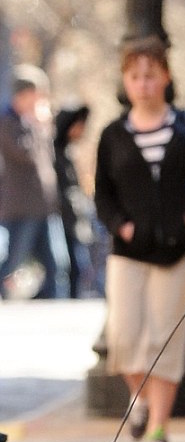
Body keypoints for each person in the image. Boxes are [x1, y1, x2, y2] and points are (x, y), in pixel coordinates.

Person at [95, 35, 185, 442]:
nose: (143, 83)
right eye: (135, 76)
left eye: (151, 75)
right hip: (128, 253)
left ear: (166, 76)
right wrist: (121, 226)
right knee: (123, 338)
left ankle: (158, 428)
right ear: (125, 82)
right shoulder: (113, 134)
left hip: (175, 251)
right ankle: (141, 399)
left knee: (166, 338)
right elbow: (102, 193)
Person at [0, 65, 59, 299]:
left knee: (56, 265)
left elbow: (48, 156)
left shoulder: (34, 123)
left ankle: (54, 306)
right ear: (23, 95)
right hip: (22, 207)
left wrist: (43, 126)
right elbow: (25, 153)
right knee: (13, 261)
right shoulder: (8, 122)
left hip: (45, 205)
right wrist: (36, 124)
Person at [54, 103, 95, 297]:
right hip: (61, 218)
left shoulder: (68, 151)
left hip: (75, 218)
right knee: (68, 265)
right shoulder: (54, 152)